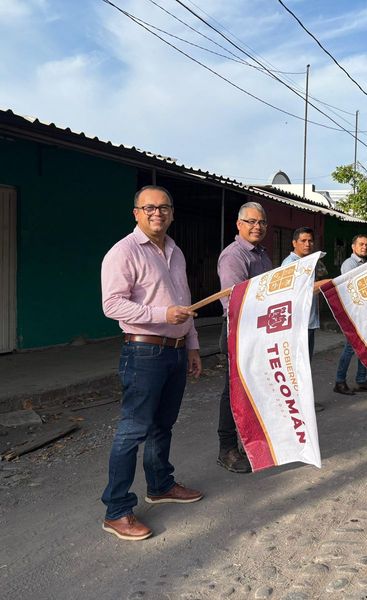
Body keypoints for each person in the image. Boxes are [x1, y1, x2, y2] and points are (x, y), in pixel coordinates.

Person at [100, 185, 203, 541]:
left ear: (172, 213)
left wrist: (191, 345)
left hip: (174, 350)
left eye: (163, 208)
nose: (157, 213)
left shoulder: (174, 251)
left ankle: (160, 485)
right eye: (149, 208)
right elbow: (112, 305)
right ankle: (116, 510)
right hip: (143, 352)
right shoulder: (123, 252)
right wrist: (161, 313)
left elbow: (184, 302)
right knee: (132, 430)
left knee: (164, 424)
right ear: (136, 213)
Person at [216, 202, 272, 473]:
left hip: (260, 332)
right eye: (251, 222)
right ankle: (227, 449)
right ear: (238, 224)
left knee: (255, 390)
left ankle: (251, 443)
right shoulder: (234, 256)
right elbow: (233, 303)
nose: (257, 227)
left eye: (261, 222)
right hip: (238, 332)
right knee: (233, 392)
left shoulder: (263, 256)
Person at [333, 234, 367, 395]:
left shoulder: (365, 264)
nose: (364, 247)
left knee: (365, 348)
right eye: (361, 244)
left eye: (366, 245)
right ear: (353, 247)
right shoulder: (349, 264)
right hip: (354, 314)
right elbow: (352, 289)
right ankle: (340, 382)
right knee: (350, 348)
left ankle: (361, 380)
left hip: (365, 314)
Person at [281, 227, 323, 358]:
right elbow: (299, 292)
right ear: (294, 243)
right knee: (297, 366)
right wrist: (326, 284)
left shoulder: (308, 262)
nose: (307, 244)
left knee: (305, 365)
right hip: (296, 324)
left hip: (308, 321)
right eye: (303, 240)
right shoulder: (290, 264)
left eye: (310, 241)